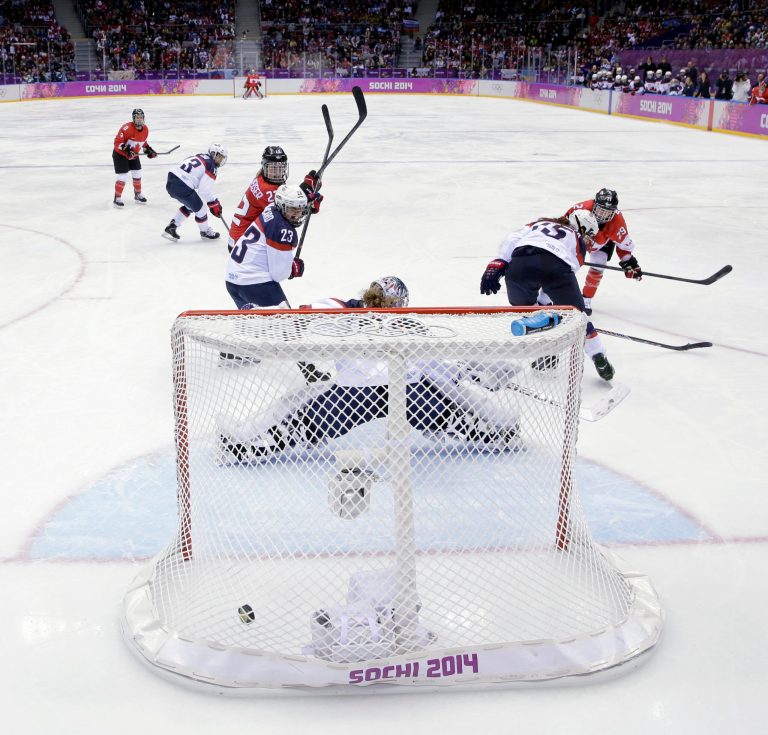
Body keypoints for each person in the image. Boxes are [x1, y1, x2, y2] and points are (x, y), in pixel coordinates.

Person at [217, 277, 521, 464]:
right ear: (401, 303)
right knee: (453, 397)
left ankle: (247, 445)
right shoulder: (410, 323)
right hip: (410, 395)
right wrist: (475, 372)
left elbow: (299, 317)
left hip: (351, 396)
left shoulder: (342, 307)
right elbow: (439, 369)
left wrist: (262, 316)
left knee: (301, 406)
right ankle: (496, 430)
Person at [479, 209, 616, 381]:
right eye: (588, 233)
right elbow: (559, 274)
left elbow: (513, 238)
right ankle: (598, 355)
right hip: (555, 266)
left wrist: (499, 262)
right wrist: (548, 303)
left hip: (520, 264)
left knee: (530, 314)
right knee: (577, 316)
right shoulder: (577, 240)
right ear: (581, 226)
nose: (587, 238)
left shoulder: (538, 223)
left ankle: (546, 353)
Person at [225, 181, 323, 309]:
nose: (297, 214)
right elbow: (279, 274)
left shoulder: (271, 207)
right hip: (253, 283)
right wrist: (293, 268)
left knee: (257, 327)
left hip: (232, 279)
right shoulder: (283, 229)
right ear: (282, 206)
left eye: (300, 209)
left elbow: (287, 199)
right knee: (284, 326)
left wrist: (307, 202)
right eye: (293, 209)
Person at [551, 188, 641, 316]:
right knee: (563, 262)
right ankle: (551, 290)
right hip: (578, 238)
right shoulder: (580, 209)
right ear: (594, 204)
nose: (602, 215)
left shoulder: (617, 222)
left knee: (599, 264)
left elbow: (624, 245)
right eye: (600, 210)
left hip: (600, 244)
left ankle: (586, 299)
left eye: (607, 212)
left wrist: (628, 261)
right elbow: (562, 225)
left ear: (614, 211)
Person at [228, 146, 322, 247]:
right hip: (242, 243)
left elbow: (288, 201)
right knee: (284, 235)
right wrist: (306, 190)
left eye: (280, 168)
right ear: (264, 167)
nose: (277, 173)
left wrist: (306, 191)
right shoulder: (265, 189)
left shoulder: (262, 178)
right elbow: (290, 217)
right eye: (273, 168)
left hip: (244, 235)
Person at [162, 143, 228, 242]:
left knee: (190, 206)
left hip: (172, 180)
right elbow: (204, 191)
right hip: (183, 184)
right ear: (213, 153)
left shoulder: (200, 156)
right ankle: (205, 232)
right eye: (219, 157)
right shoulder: (211, 166)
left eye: (222, 158)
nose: (220, 160)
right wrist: (214, 203)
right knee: (201, 209)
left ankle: (172, 227)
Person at [112, 108, 157, 207]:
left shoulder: (145, 129)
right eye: (137, 117)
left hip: (134, 154)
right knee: (122, 177)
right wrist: (127, 151)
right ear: (133, 118)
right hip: (120, 155)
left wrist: (149, 150)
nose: (139, 119)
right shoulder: (126, 128)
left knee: (137, 173)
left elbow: (142, 142)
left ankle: (137, 194)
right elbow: (117, 143)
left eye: (141, 117)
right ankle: (117, 198)